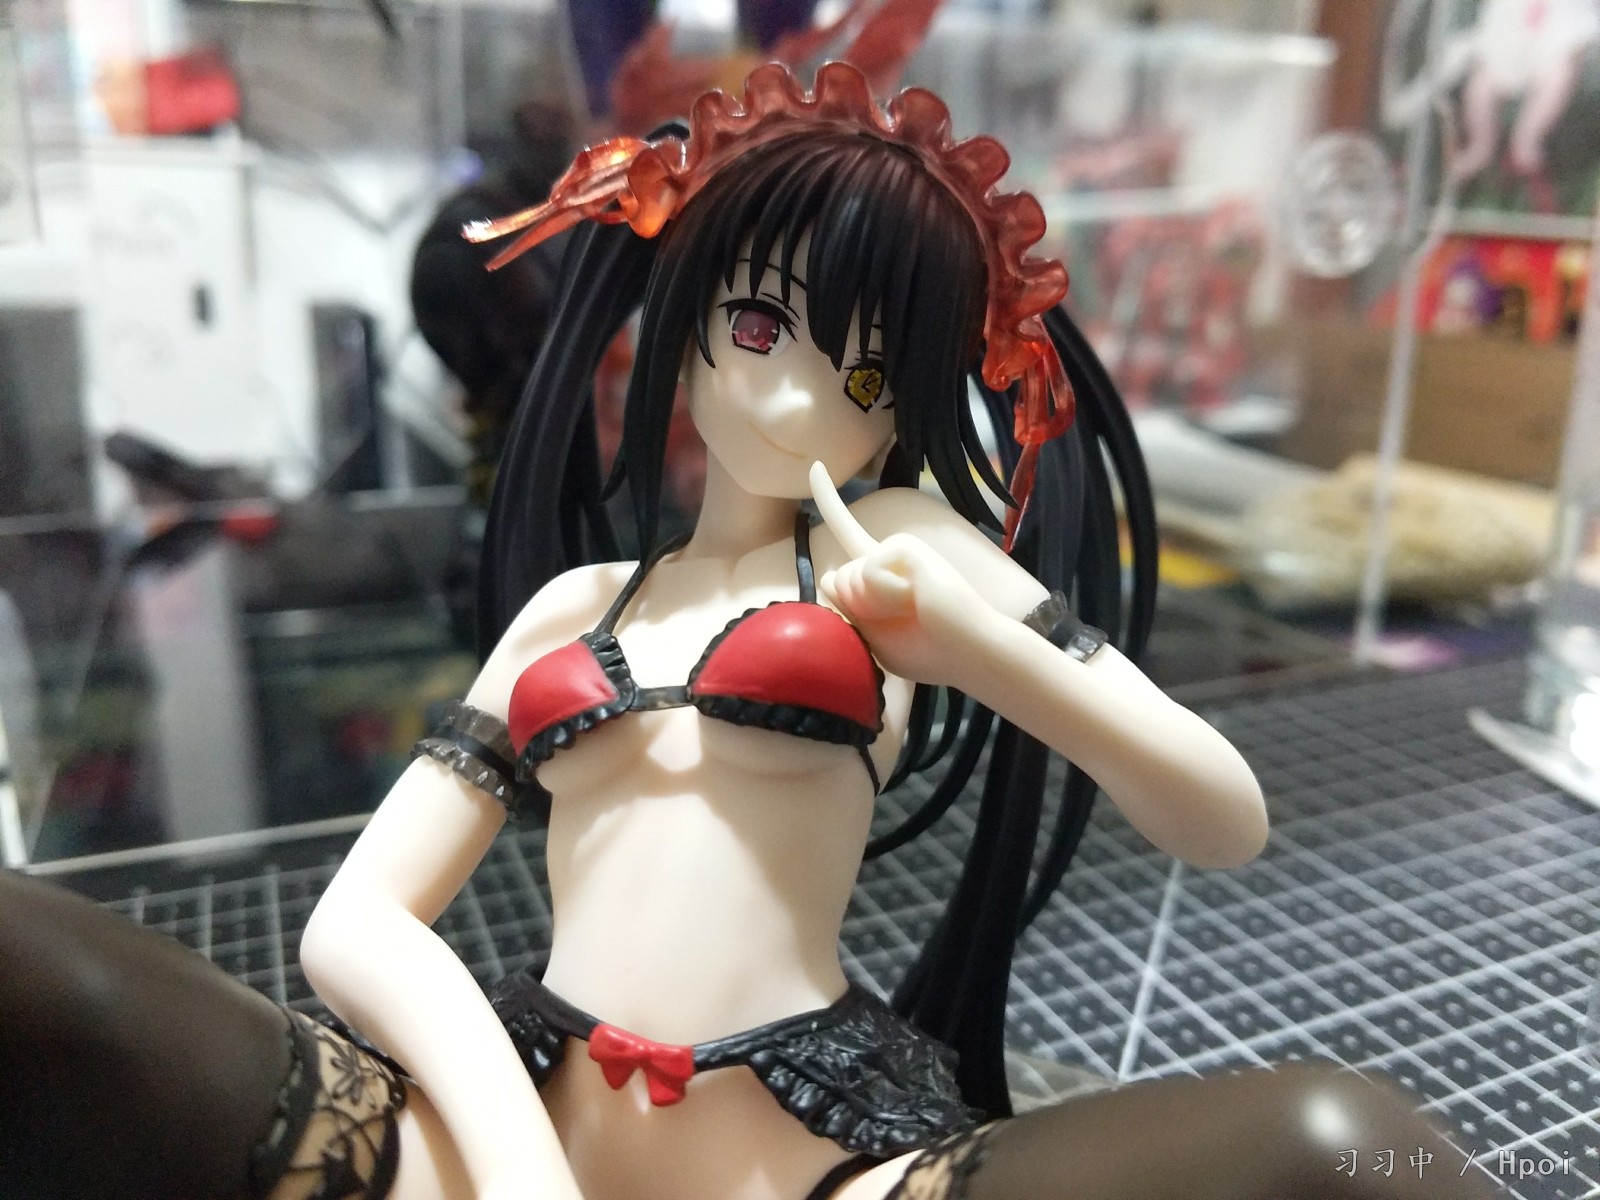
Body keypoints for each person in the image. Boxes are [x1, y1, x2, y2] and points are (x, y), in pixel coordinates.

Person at [0, 63, 1494, 1200]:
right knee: (35, 969)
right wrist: (516, 1168)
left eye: (865, 377)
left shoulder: (899, 554)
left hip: (801, 1162)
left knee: (1336, 1143)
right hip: (510, 1131)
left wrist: (979, 652)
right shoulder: (575, 608)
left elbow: (1222, 815)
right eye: (761, 329)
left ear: (907, 405)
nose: (789, 400)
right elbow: (355, 923)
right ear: (692, 314)